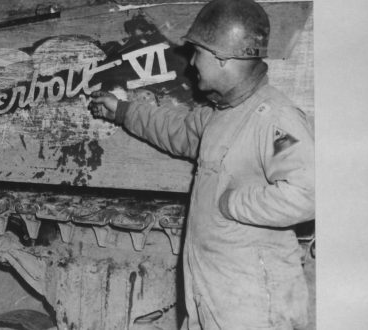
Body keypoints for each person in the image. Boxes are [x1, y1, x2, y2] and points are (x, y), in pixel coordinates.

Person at [88, 0, 314, 328]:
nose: (191, 62)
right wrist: (122, 111)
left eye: (198, 53)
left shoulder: (275, 120)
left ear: (222, 57)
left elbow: (307, 193)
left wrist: (231, 203)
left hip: (254, 303)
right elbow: (177, 130)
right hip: (213, 291)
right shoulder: (222, 115)